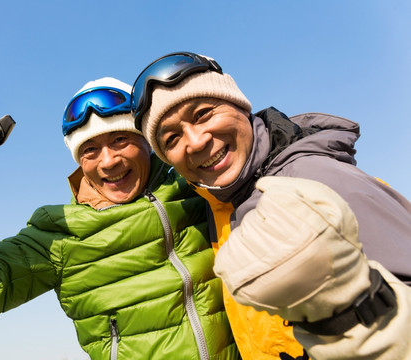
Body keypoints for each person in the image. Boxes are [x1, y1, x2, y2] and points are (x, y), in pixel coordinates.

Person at [0, 77, 240, 359]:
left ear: (147, 142)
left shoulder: (199, 189)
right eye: (90, 150)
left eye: (120, 139)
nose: (108, 161)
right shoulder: (59, 235)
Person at [131, 51, 411, 360]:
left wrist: (342, 323)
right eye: (171, 139)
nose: (196, 141)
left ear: (240, 105)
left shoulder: (313, 181)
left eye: (204, 114)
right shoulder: (221, 201)